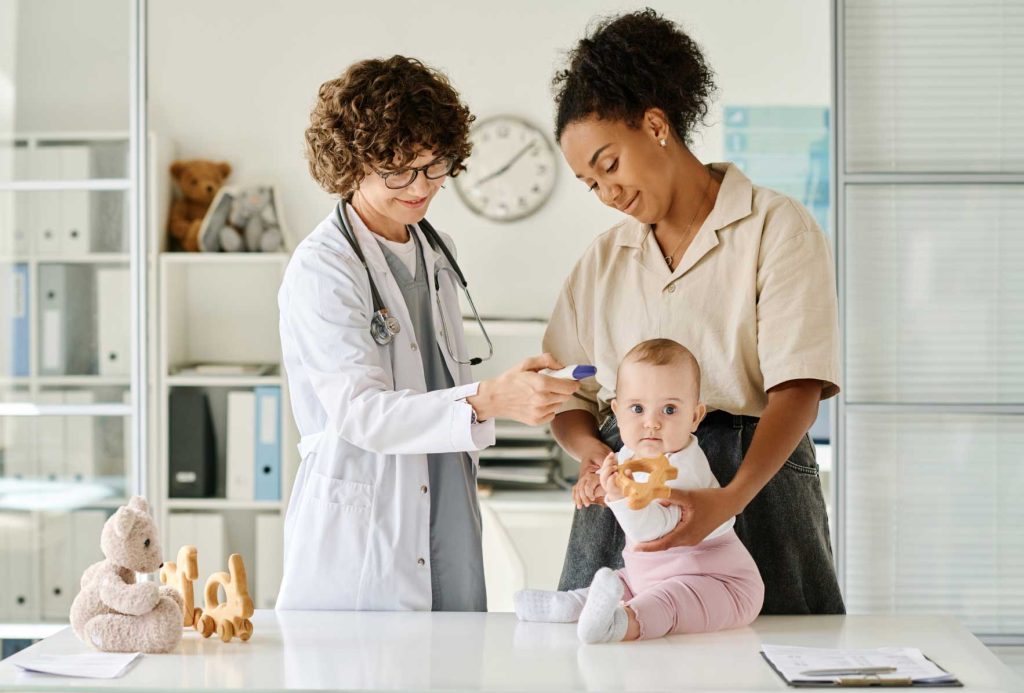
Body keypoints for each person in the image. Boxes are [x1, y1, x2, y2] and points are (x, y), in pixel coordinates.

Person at [544, 9, 844, 614]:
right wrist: (597, 455)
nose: (608, 194)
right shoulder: (603, 261)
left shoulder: (772, 227)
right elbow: (567, 393)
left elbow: (799, 386)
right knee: (612, 654)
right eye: (590, 184)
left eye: (608, 165)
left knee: (774, 655)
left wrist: (728, 498)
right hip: (629, 491)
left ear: (655, 125)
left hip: (755, 478)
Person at [275, 55, 579, 612]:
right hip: (369, 517)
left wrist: (507, 393)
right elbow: (362, 412)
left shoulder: (437, 252)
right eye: (398, 170)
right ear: (350, 164)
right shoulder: (324, 267)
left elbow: (435, 379)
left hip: (446, 495)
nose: (421, 188)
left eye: (434, 166)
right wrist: (490, 401)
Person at [514, 339, 763, 643]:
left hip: (718, 582)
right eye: (637, 408)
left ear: (695, 417)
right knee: (621, 582)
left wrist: (617, 497)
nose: (652, 423)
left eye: (669, 410)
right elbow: (614, 488)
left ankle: (617, 625)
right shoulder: (628, 456)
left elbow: (652, 531)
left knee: (669, 602)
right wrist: (596, 486)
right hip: (647, 574)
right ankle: (565, 606)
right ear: (617, 413)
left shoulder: (687, 468)